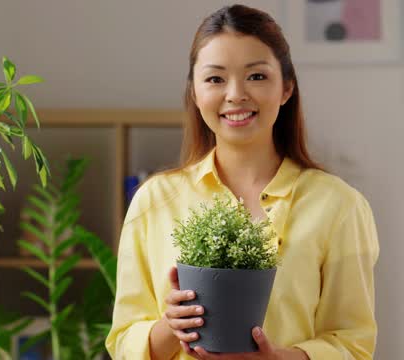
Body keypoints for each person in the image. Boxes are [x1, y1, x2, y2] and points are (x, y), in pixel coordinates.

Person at [105, 4, 379, 360]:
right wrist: (171, 327)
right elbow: (124, 341)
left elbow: (353, 345)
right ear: (194, 92)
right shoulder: (153, 201)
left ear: (286, 88)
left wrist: (280, 358)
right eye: (215, 78)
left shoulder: (339, 205)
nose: (235, 94)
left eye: (257, 76)